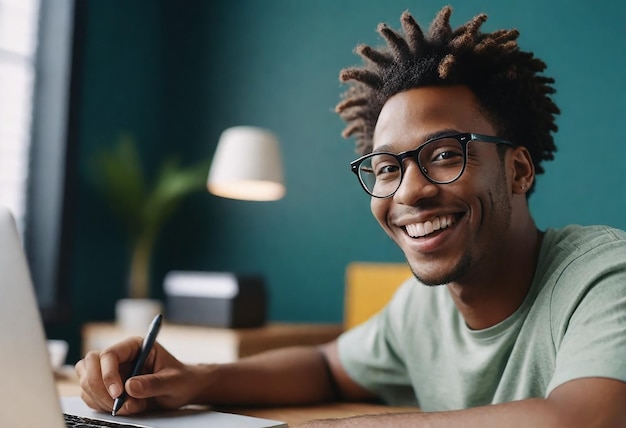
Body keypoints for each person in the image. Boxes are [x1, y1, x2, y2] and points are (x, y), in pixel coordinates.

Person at [76, 6, 626, 427]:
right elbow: (326, 365)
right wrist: (190, 380)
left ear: (519, 171)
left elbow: (579, 419)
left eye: (444, 155)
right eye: (386, 167)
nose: (409, 191)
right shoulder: (423, 305)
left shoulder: (603, 274)